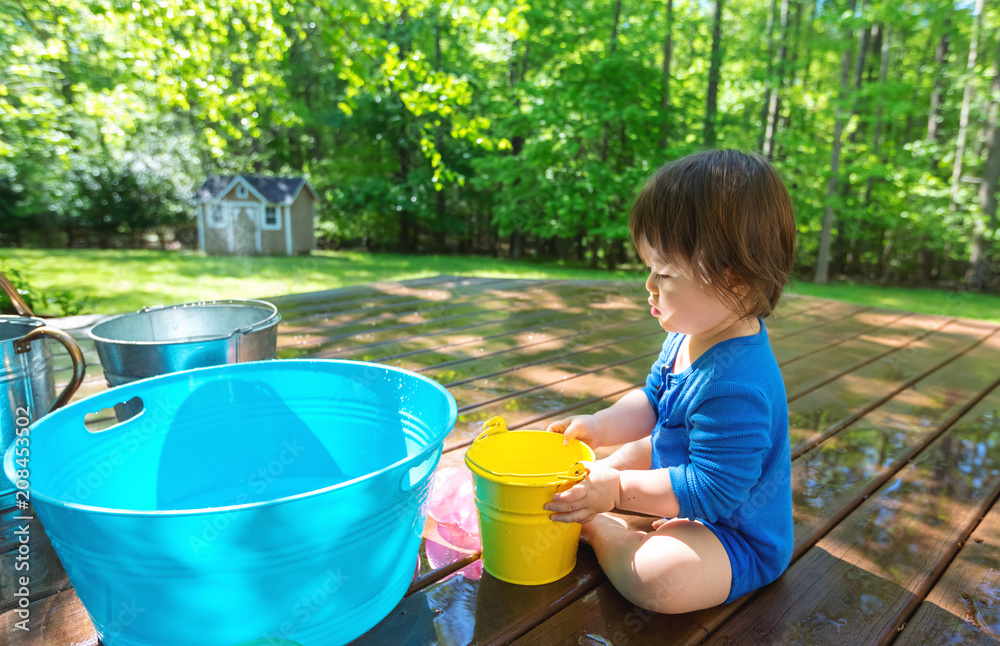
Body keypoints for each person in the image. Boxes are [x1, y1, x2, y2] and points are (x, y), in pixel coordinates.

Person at [544, 149, 796, 614]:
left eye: (663, 273)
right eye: (648, 268)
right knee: (611, 462)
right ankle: (609, 503)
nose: (648, 286)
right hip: (679, 478)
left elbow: (713, 491)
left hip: (733, 533)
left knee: (662, 580)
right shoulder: (688, 334)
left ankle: (599, 527)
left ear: (735, 281)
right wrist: (601, 424)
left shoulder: (737, 383)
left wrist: (616, 493)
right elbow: (653, 401)